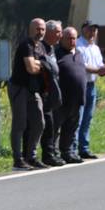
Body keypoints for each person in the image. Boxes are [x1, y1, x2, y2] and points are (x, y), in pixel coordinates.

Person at [9, 18, 47, 170]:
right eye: (37, 28)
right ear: (30, 29)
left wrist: (39, 64)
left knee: (39, 122)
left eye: (43, 29)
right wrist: (42, 65)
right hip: (19, 88)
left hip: (34, 89)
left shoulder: (41, 47)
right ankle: (18, 160)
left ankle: (31, 157)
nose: (40, 32)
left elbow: (40, 65)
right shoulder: (26, 45)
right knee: (20, 124)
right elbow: (31, 68)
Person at [75, 22, 105, 159]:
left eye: (95, 30)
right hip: (80, 85)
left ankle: (84, 148)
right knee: (78, 117)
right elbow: (82, 66)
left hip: (92, 85)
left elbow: (99, 67)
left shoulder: (95, 48)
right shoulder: (77, 45)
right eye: (90, 29)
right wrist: (100, 70)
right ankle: (73, 149)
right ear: (83, 29)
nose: (93, 33)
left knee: (88, 117)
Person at [52, 27, 87, 164]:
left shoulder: (78, 53)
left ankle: (68, 152)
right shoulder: (57, 54)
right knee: (56, 128)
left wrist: (100, 70)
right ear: (62, 39)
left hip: (77, 99)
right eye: (69, 38)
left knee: (71, 128)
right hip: (62, 99)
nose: (72, 41)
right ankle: (53, 153)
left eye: (74, 38)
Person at [39, 20, 64, 166]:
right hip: (44, 93)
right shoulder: (41, 48)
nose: (60, 35)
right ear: (48, 32)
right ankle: (47, 155)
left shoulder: (51, 48)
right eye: (58, 32)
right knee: (47, 125)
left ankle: (52, 152)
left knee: (53, 125)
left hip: (52, 94)